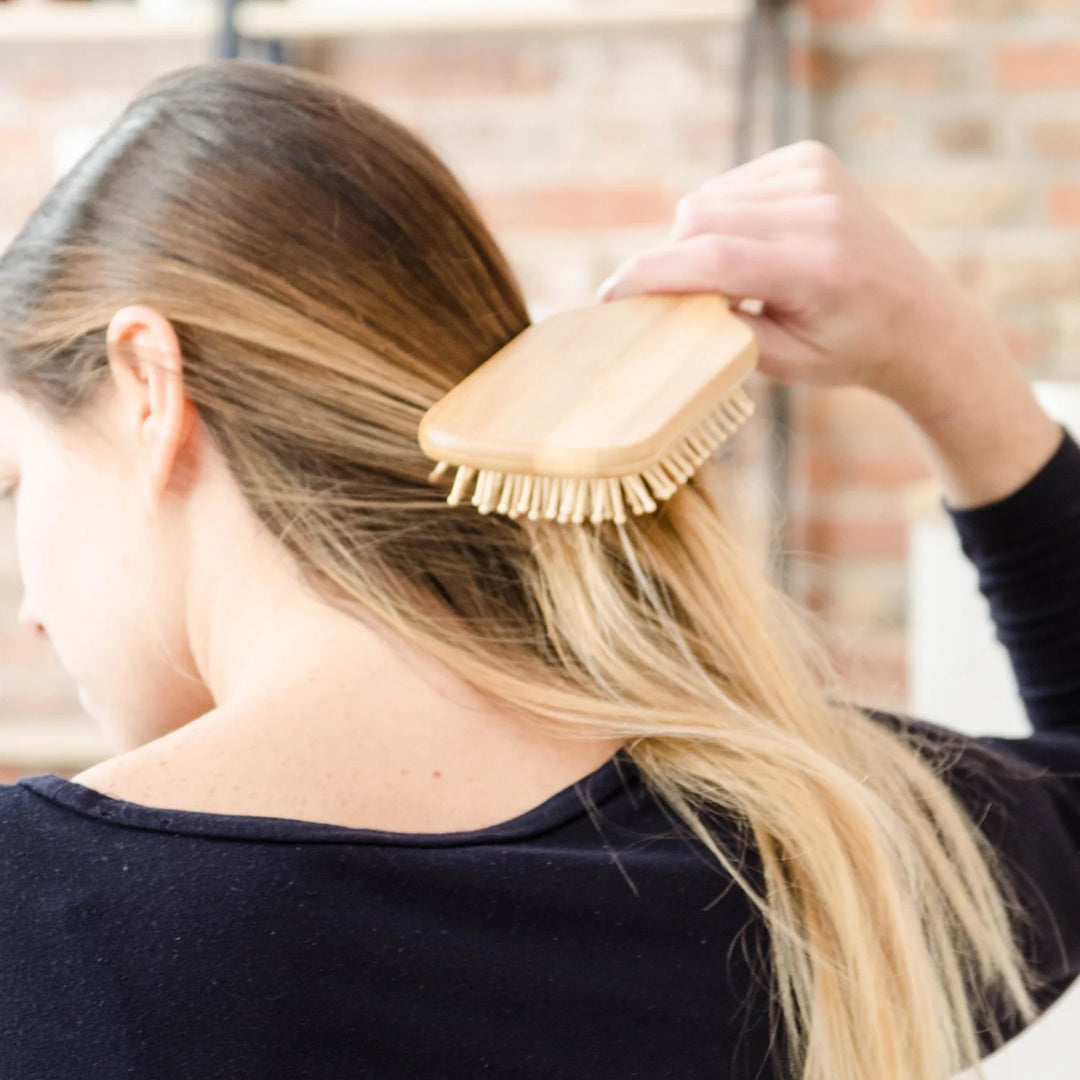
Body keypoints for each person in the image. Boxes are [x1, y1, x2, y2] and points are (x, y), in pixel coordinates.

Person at [0, 59, 1076, 1080]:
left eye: (13, 482)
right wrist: (941, 353)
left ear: (148, 384)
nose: (30, 606)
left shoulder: (35, 920)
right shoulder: (828, 846)